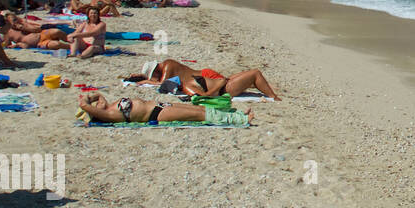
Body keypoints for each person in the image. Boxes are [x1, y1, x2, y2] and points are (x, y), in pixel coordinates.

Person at [127, 59, 281, 99]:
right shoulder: (171, 71)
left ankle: (270, 93)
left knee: (249, 76)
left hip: (206, 76)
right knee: (251, 75)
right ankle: (271, 95)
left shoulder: (167, 66)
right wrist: (141, 78)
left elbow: (161, 83)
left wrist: (146, 81)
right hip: (207, 79)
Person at [77, 91, 253, 125]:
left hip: (158, 105)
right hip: (155, 114)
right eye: (96, 106)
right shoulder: (109, 114)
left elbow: (97, 95)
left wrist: (92, 97)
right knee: (199, 116)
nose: (98, 102)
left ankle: (236, 113)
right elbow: (84, 104)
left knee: (198, 109)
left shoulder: (109, 105)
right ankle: (240, 119)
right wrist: (86, 103)